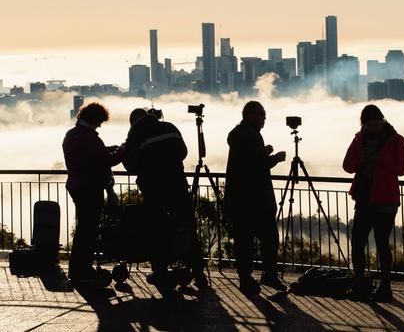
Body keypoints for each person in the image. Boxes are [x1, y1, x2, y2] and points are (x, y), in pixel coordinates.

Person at [123, 108, 207, 291]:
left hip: (154, 190)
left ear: (133, 122)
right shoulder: (170, 127)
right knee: (187, 226)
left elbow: (130, 164)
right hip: (178, 185)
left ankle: (160, 271)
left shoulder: (136, 134)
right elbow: (183, 152)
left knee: (156, 229)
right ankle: (198, 272)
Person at [343, 104, 404, 302]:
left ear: (382, 120)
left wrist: (380, 159)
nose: (373, 128)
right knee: (357, 243)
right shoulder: (359, 139)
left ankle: (385, 287)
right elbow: (347, 165)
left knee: (381, 244)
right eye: (370, 126)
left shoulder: (396, 141)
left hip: (385, 200)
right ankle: (360, 284)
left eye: (376, 124)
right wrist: (361, 158)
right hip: (365, 198)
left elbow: (402, 169)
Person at [224, 101, 287, 295]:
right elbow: (257, 165)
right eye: (261, 115)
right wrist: (275, 157)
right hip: (256, 199)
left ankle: (247, 278)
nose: (264, 119)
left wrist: (263, 152)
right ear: (250, 115)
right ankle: (268, 274)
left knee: (244, 240)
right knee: (269, 238)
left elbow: (248, 160)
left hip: (239, 198)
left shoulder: (240, 134)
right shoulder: (250, 135)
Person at [62, 102, 124, 284]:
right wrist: (122, 149)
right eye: (100, 122)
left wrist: (107, 149)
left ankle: (77, 269)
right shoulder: (90, 138)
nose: (100, 126)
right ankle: (83, 270)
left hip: (76, 185)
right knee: (88, 230)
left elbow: (92, 156)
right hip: (90, 187)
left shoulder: (72, 135)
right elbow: (107, 161)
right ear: (94, 120)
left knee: (83, 229)